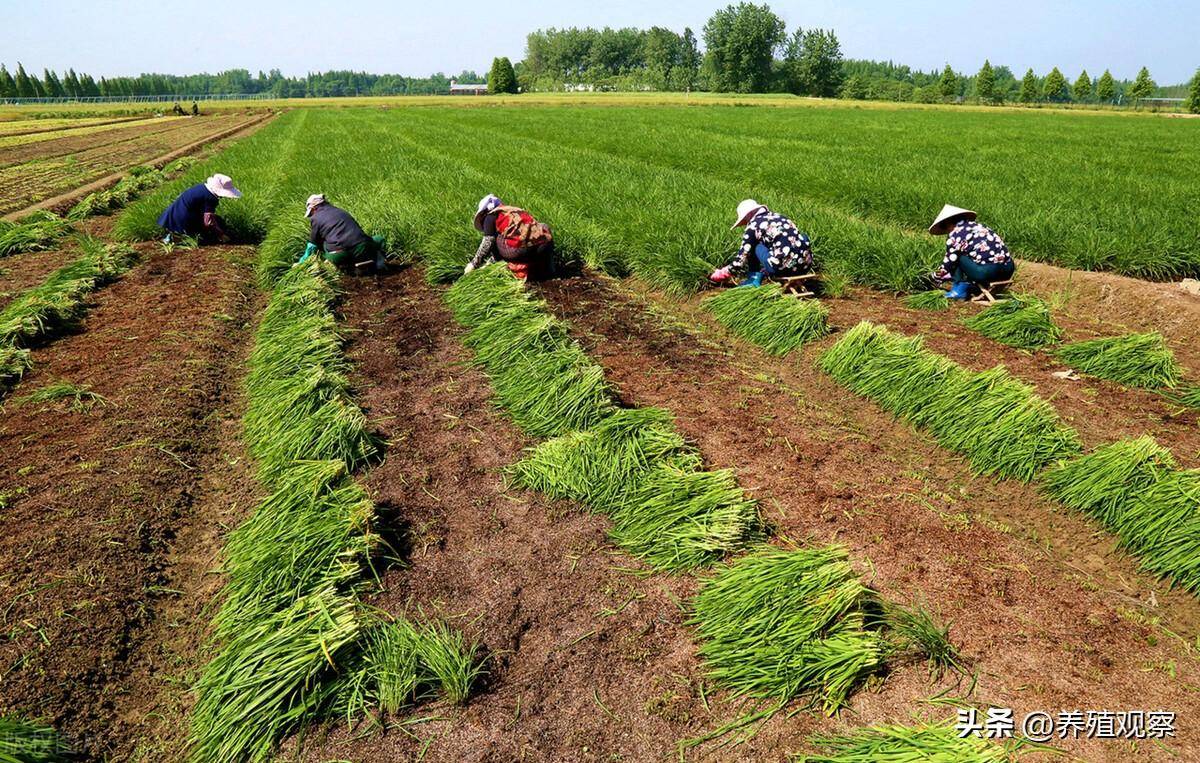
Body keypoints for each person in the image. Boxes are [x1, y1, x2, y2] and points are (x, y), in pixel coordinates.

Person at [710, 199, 814, 287]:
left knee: (755, 246)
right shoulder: (780, 217)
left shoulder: (753, 226)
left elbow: (741, 260)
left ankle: (753, 279)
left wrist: (724, 272)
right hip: (805, 265)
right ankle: (771, 268)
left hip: (783, 268)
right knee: (801, 237)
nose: (746, 223)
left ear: (749, 214)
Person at [928, 204, 1015, 299]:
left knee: (958, 256)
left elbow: (950, 260)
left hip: (987, 272)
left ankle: (959, 290)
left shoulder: (955, 234)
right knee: (968, 253)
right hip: (1008, 269)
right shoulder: (980, 226)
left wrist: (938, 275)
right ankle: (965, 283)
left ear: (948, 223)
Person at [463, 195, 555, 281]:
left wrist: (474, 264)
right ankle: (550, 270)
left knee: (494, 237)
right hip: (544, 247)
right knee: (543, 226)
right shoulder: (514, 210)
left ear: (484, 212)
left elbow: (488, 242)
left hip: (520, 251)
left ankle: (497, 263)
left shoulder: (490, 216)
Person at [296, 194, 386, 273]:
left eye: (311, 213)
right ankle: (379, 263)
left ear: (314, 208)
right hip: (363, 248)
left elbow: (313, 244)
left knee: (323, 245)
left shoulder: (315, 218)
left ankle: (333, 265)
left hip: (340, 255)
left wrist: (302, 262)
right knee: (378, 239)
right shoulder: (340, 211)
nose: (311, 215)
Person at [157, 173, 240, 243]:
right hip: (182, 220)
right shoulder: (211, 198)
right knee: (208, 233)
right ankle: (177, 237)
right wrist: (221, 234)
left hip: (172, 215)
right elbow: (208, 222)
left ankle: (173, 235)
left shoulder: (201, 187)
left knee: (217, 220)